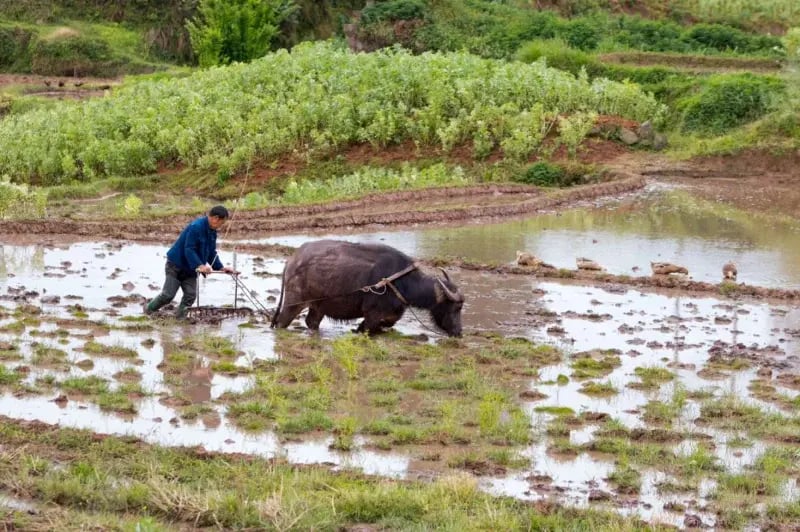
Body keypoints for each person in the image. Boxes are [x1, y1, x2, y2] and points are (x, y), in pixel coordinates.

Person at [144, 205, 236, 319]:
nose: (221, 226)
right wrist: (200, 265)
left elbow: (211, 252)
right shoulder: (196, 227)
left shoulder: (212, 232)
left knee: (190, 296)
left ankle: (179, 319)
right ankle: (148, 309)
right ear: (215, 218)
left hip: (191, 269)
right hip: (176, 265)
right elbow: (189, 249)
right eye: (221, 223)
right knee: (168, 295)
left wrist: (221, 268)